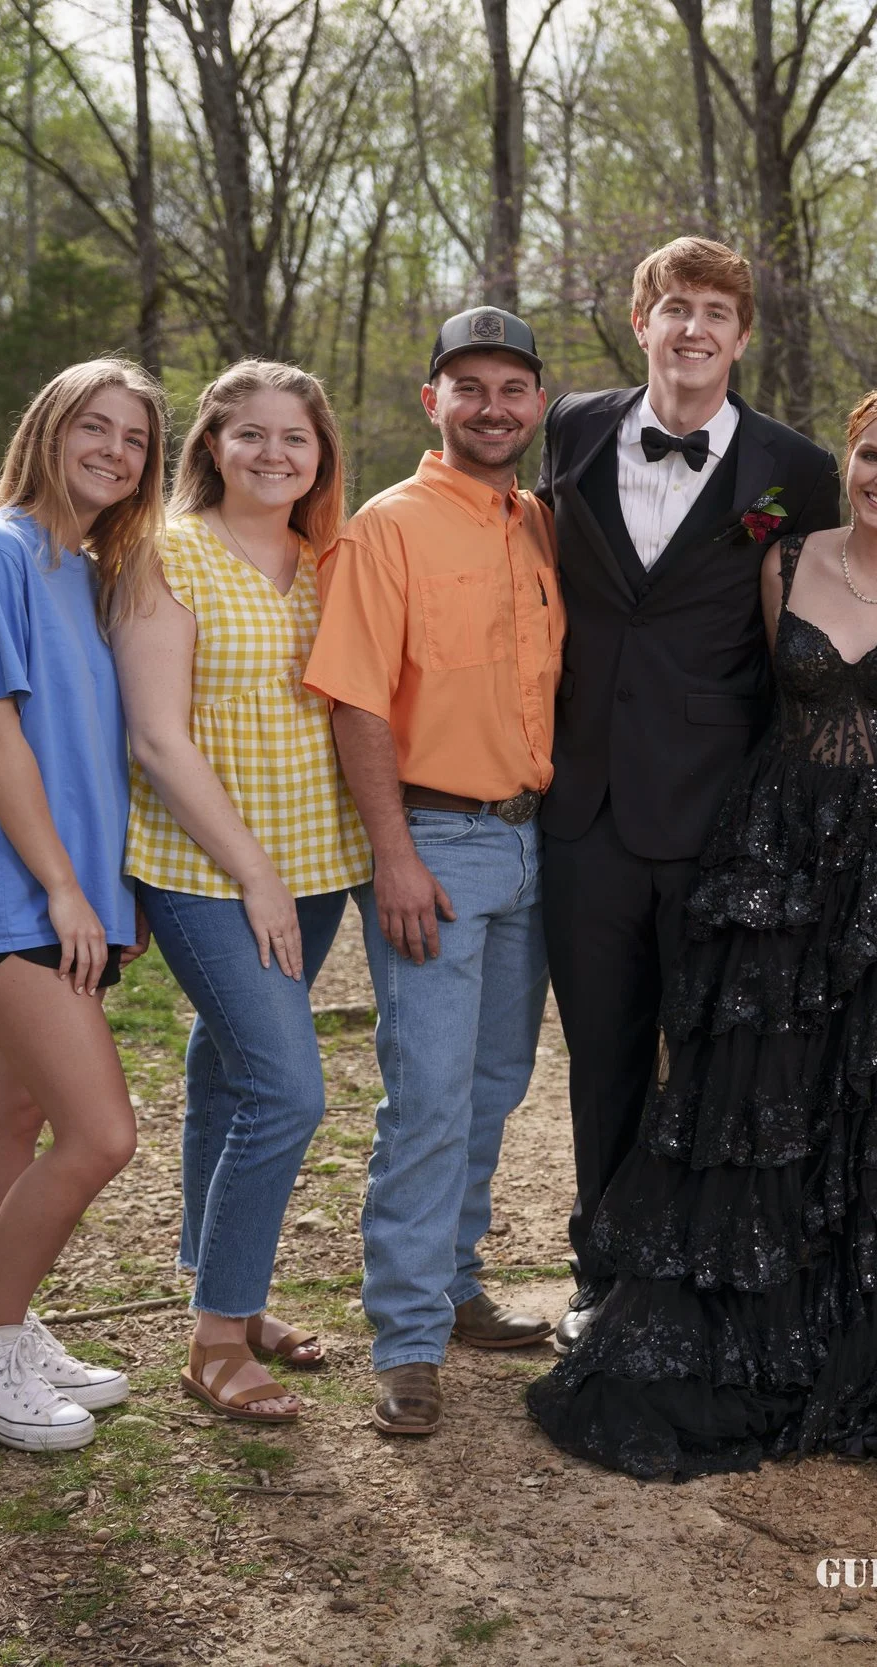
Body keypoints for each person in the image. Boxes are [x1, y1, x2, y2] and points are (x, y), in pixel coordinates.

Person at [528, 388, 877, 1490]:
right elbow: (759, 696)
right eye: (872, 455)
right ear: (846, 460)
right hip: (775, 849)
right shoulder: (784, 558)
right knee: (762, 1085)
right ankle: (752, 1316)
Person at [532, 237, 839, 1355]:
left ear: (743, 335)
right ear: (640, 319)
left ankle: (712, 1271)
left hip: (722, 810)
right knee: (604, 1053)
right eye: (674, 307)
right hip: (585, 807)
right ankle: (600, 1271)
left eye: (716, 311)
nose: (694, 328)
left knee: (715, 1053)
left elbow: (836, 610)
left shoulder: (793, 470)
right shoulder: (568, 428)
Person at [303, 308, 567, 1437]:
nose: (493, 406)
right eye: (471, 387)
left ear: (538, 404)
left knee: (497, 1080)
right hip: (436, 845)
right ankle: (406, 1335)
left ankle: (455, 1284)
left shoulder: (539, 525)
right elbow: (356, 697)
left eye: (513, 387)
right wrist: (395, 854)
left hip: (531, 838)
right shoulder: (386, 529)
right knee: (427, 1094)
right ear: (434, 402)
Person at [116, 360, 374, 1423]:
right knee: (287, 1089)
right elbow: (157, 740)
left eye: (296, 438)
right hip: (203, 868)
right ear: (211, 444)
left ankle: (235, 1291)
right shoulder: (161, 554)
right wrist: (254, 877)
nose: (274, 453)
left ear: (321, 455)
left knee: (227, 1066)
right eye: (252, 434)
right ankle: (217, 1337)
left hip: (316, 863)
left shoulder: (327, 561)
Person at [0, 359, 168, 1450]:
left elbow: (91, 749)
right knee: (101, 1133)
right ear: (48, 427)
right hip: (13, 899)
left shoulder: (85, 566)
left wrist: (116, 887)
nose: (114, 450)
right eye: (94, 427)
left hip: (75, 897)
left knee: (11, 1123)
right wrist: (66, 888)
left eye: (134, 439)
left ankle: (9, 1335)